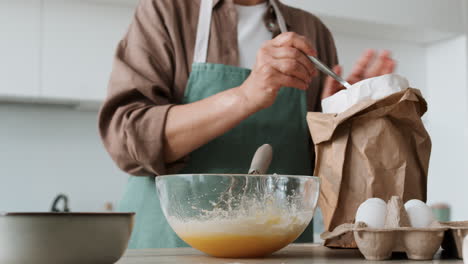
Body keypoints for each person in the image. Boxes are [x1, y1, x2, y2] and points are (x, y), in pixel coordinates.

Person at [99, 0, 396, 249]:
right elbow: (128, 138)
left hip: (279, 249)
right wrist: (246, 95)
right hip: (169, 246)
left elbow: (323, 171)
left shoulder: (311, 32)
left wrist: (342, 120)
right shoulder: (168, 11)